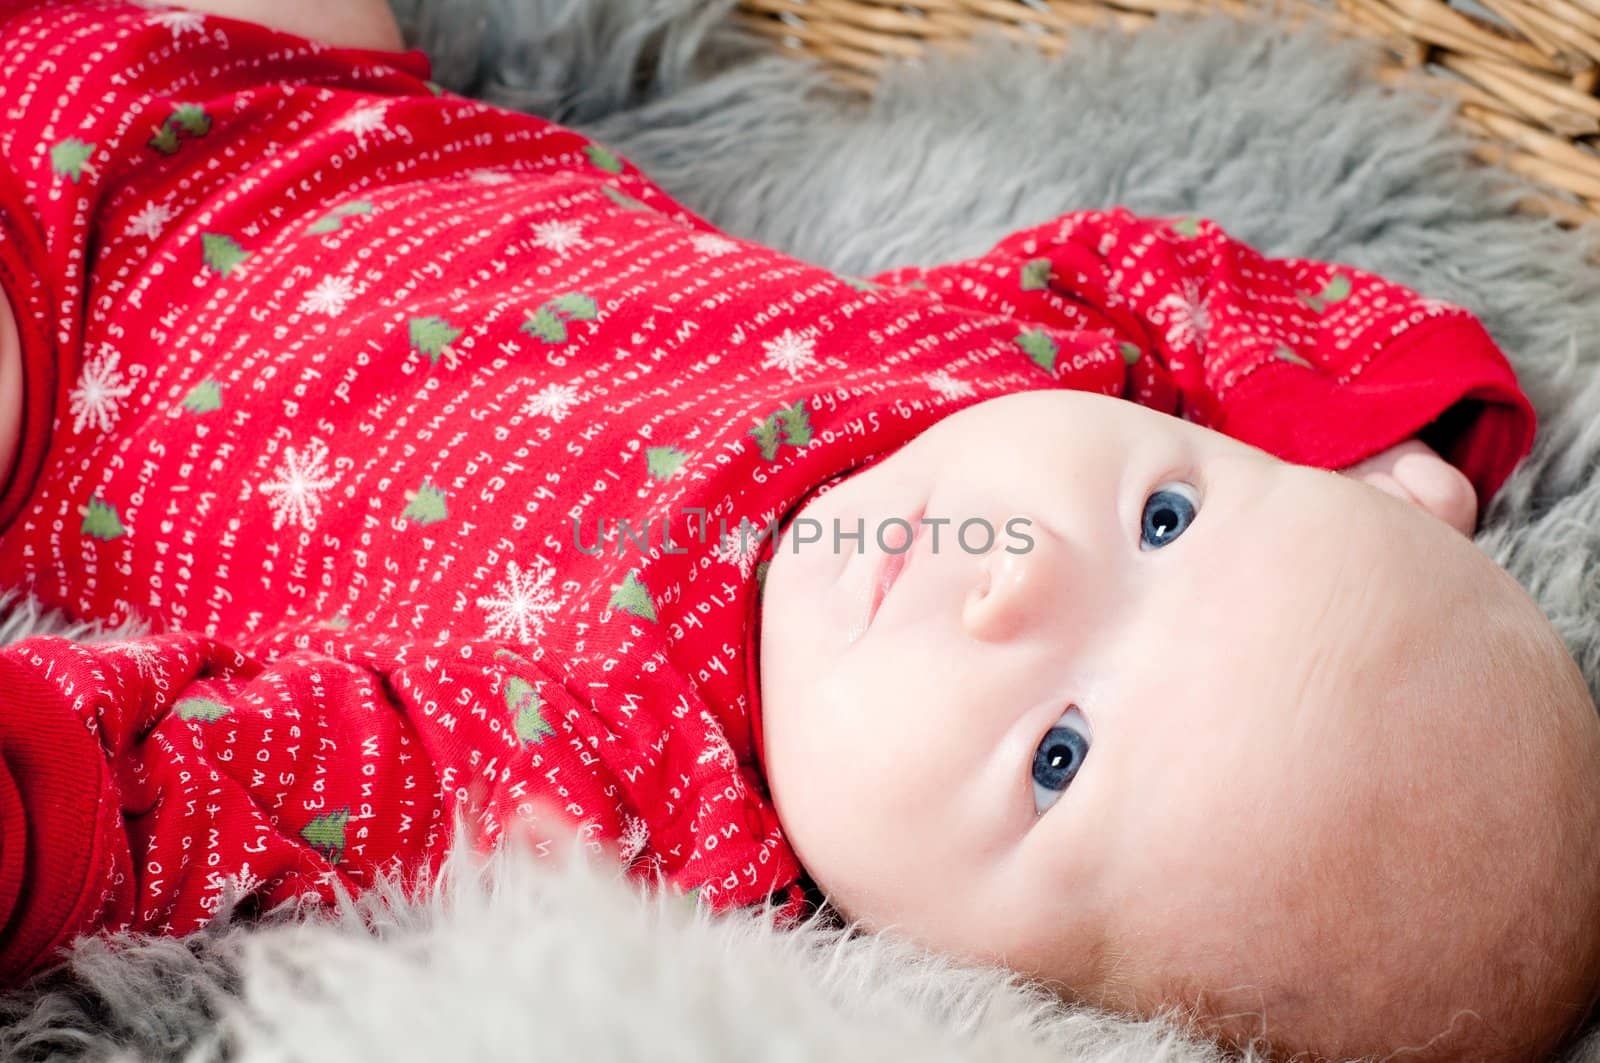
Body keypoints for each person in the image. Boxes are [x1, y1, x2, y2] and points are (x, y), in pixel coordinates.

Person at [1, 1, 1597, 1059]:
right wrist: (1378, 423)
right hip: (292, 91)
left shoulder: (612, 805)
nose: (1020, 574)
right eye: (1169, 519)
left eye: (1058, 755)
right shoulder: (992, 378)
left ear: (980, 980)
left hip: (57, 342)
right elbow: (1150, 273)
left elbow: (199, 794)